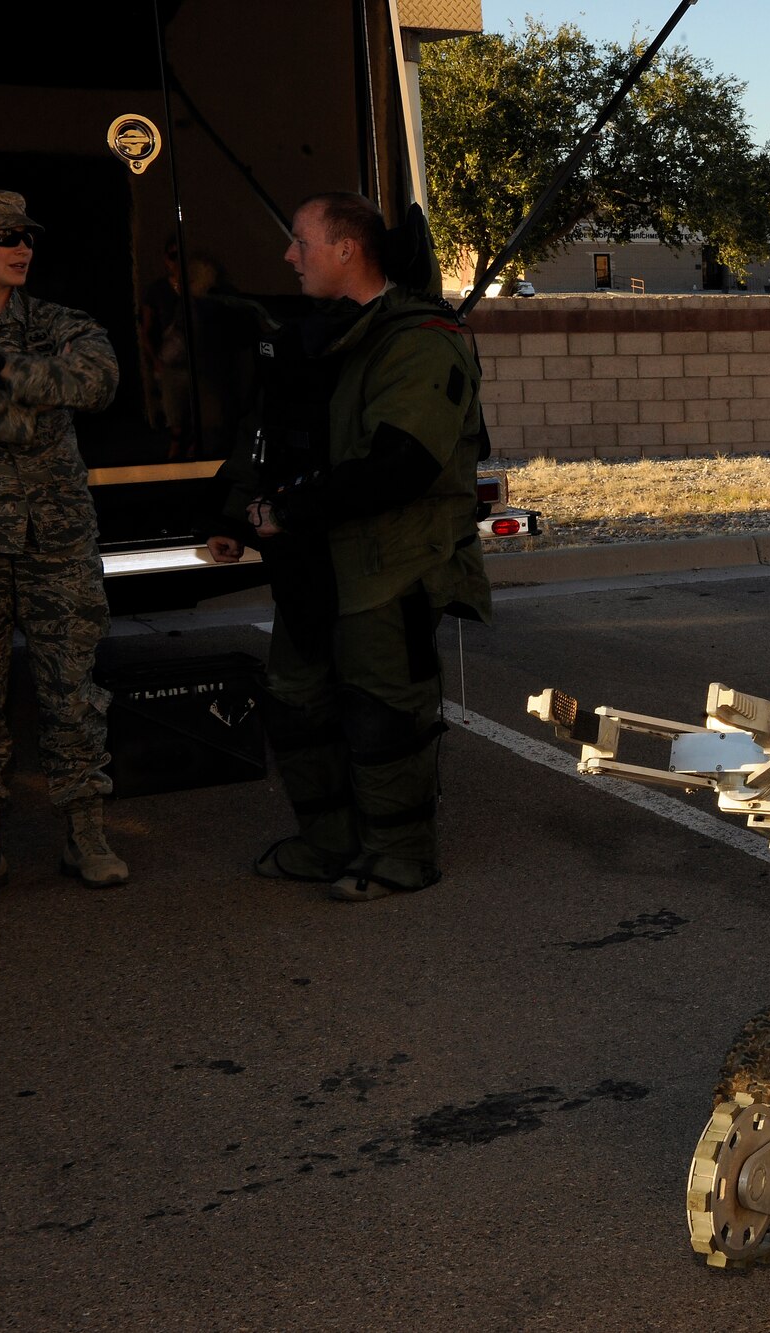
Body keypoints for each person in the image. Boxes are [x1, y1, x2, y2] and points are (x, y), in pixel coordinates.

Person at [209, 191, 489, 902]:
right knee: (296, 703)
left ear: (346, 250)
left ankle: (399, 854)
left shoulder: (422, 338)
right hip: (310, 559)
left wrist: (289, 508)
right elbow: (267, 432)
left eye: (300, 241)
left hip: (387, 565)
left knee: (382, 714)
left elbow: (400, 464)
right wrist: (236, 514)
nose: (288, 256)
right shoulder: (313, 336)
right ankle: (327, 840)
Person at [0, 190, 130, 894]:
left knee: (72, 694)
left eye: (27, 236)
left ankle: (85, 833)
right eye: (4, 236)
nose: (22, 248)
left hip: (57, 542)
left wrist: (5, 371)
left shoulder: (56, 323)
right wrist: (28, 395)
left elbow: (97, 380)